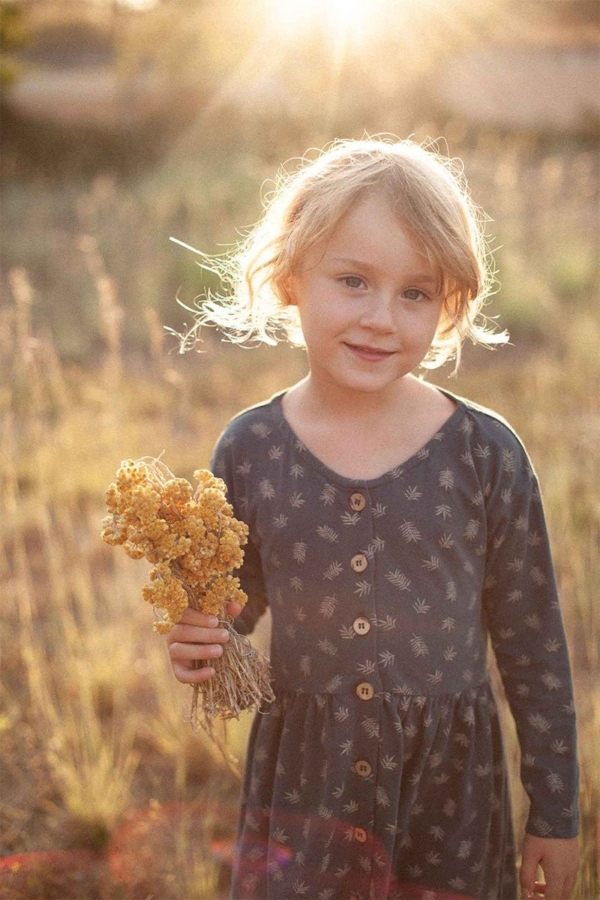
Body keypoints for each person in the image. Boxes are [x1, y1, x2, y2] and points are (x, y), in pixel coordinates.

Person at [167, 138, 580, 900]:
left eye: (415, 293)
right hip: (304, 791)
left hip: (449, 797)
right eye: (353, 281)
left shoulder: (485, 455)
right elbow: (236, 608)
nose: (381, 319)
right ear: (294, 277)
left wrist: (557, 813)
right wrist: (205, 641)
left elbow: (534, 648)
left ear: (450, 302)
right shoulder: (251, 448)